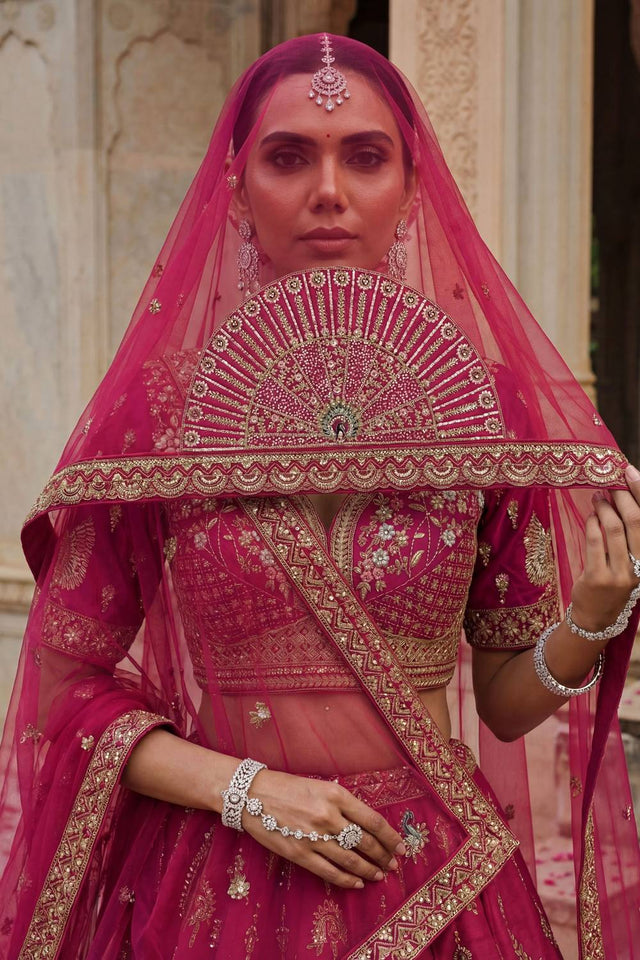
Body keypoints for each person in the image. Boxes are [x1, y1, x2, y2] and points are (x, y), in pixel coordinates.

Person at [1, 33, 639, 959]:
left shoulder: (484, 412)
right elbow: (64, 694)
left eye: (366, 157)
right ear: (236, 185)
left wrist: (589, 617)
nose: (328, 190)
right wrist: (245, 790)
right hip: (218, 874)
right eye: (289, 156)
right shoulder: (162, 415)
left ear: (411, 190)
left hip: (426, 873)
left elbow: (502, 702)